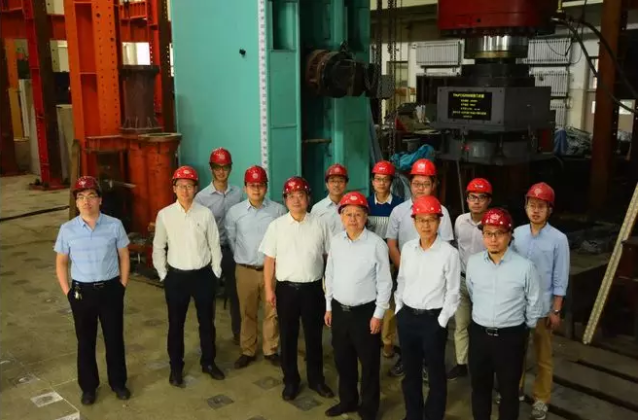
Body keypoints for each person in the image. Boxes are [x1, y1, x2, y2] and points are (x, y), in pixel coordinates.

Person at [54, 176, 131, 405]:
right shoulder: (67, 230)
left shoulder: (114, 225)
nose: (86, 201)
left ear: (100, 200)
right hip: (82, 293)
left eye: (91, 196)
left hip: (110, 290)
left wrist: (122, 285)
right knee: (85, 342)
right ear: (76, 202)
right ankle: (88, 387)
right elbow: (61, 263)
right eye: (80, 197)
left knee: (114, 339)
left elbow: (124, 256)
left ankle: (118, 383)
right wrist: (68, 292)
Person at [259, 176, 335, 401]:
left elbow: (329, 257)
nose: (296, 200)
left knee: (314, 337)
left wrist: (330, 289)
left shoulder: (320, 224)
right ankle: (290, 381)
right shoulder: (277, 226)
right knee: (288, 337)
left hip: (314, 289)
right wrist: (269, 289)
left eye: (300, 195)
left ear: (308, 198)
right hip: (286, 290)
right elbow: (269, 261)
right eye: (291, 196)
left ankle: (316, 379)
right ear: (285, 199)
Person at [466, 208, 543, 420]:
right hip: (479, 335)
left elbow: (534, 301)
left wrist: (523, 329)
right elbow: (472, 292)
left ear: (509, 235)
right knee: (479, 387)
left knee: (509, 392)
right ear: (482, 235)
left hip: (510, 337)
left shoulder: (524, 267)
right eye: (488, 233)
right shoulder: (473, 263)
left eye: (499, 233)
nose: (493, 239)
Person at [153, 166, 225, 387]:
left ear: (195, 188)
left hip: (203, 276)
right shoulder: (165, 215)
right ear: (174, 188)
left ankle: (208, 362)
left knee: (207, 323)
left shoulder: (205, 214)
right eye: (181, 186)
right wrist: (164, 275)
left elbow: (215, 244)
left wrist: (215, 272)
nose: (185, 190)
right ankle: (176, 368)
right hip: (176, 278)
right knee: (176, 325)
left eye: (189, 186)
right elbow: (158, 247)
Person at [324, 191, 392, 420]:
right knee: (343, 360)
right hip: (339, 311)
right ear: (341, 216)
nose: (352, 219)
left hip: (366, 313)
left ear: (365, 217)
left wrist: (378, 314)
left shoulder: (376, 245)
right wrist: (328, 306)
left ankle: (369, 409)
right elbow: (330, 274)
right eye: (348, 214)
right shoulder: (336, 241)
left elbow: (385, 282)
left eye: (358, 214)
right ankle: (348, 401)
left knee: (369, 363)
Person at [385, 158, 453, 377]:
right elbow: (392, 243)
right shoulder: (399, 211)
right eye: (416, 183)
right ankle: (407, 358)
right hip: (405, 273)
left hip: (434, 280)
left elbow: (446, 248)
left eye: (425, 184)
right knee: (405, 318)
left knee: (432, 323)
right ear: (410, 183)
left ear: (433, 185)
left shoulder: (442, 213)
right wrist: (405, 268)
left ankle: (429, 363)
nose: (420, 188)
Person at [395, 195, 460, 420]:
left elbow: (453, 292)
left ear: (439, 221)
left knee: (435, 374)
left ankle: (433, 415)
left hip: (433, 321)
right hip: (407, 319)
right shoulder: (408, 248)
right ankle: (413, 414)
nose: (426, 225)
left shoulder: (449, 254)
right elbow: (402, 280)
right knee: (410, 373)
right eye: (421, 220)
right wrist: (399, 309)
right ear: (414, 222)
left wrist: (441, 321)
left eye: (431, 219)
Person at [512, 182, 569, 420]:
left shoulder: (559, 239)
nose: (535, 210)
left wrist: (556, 309)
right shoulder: (516, 234)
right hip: (517, 306)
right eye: (532, 205)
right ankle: (514, 390)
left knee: (543, 357)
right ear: (525, 206)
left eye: (541, 206)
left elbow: (560, 277)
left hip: (543, 308)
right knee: (516, 352)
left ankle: (541, 399)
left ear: (550, 210)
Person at [225, 165, 286, 369]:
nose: (256, 189)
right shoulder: (235, 213)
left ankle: (270, 349)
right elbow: (232, 240)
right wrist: (245, 258)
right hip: (245, 271)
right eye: (252, 185)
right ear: (245, 188)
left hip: (271, 271)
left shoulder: (277, 210)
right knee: (247, 312)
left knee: (272, 312)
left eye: (260, 185)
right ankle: (248, 350)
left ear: (266, 187)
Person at [195, 147, 243, 344]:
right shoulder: (201, 198)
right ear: (211, 169)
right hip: (210, 253)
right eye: (217, 168)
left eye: (225, 167)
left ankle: (239, 334)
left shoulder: (238, 193)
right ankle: (208, 339)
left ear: (230, 168)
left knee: (236, 295)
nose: (221, 172)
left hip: (232, 251)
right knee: (208, 297)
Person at [448, 178, 492, 380]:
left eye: (481, 198)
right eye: (472, 197)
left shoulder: (493, 223)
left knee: (484, 327)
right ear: (467, 199)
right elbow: (457, 246)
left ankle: (483, 365)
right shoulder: (460, 221)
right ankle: (461, 363)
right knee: (461, 324)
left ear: (488, 201)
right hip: (463, 281)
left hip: (485, 284)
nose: (476, 202)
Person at [367, 160, 403, 358]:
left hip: (390, 262)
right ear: (372, 181)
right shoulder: (365, 204)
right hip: (369, 263)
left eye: (385, 179)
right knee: (369, 300)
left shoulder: (399, 206)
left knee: (389, 303)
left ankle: (387, 341)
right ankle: (370, 337)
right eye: (378, 179)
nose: (381, 183)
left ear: (391, 182)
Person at [311, 163, 348, 235]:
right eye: (332, 181)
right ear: (327, 184)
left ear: (346, 184)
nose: (336, 185)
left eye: (340, 181)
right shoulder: (317, 209)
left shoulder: (352, 207)